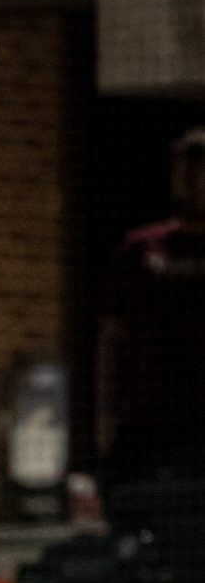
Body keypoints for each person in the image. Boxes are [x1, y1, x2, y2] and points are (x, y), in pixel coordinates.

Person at [98, 126, 205, 482]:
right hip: (146, 423)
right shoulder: (141, 249)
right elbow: (113, 337)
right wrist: (106, 416)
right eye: (182, 169)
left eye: (198, 169)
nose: (188, 180)